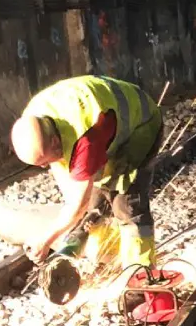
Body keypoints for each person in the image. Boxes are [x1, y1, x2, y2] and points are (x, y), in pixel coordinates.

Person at [10, 75, 164, 271]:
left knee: (126, 204)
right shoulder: (34, 118)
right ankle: (110, 253)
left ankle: (141, 275)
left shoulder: (85, 140)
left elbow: (77, 203)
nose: (43, 167)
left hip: (141, 127)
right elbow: (70, 183)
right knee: (96, 201)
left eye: (44, 161)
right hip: (107, 119)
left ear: (55, 143)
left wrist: (47, 238)